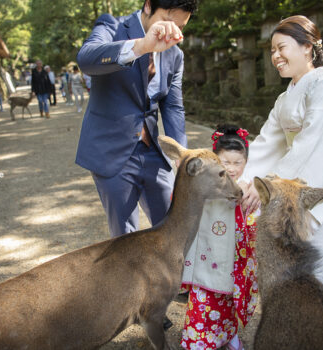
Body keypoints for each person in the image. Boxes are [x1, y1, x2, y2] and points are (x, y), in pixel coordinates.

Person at [239, 15, 323, 294]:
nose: (276, 56)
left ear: (307, 47)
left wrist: (272, 181)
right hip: (300, 185)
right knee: (306, 272)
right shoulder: (286, 97)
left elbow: (314, 140)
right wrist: (248, 180)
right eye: (272, 50)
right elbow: (268, 142)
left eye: (281, 47)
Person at [76, 0, 197, 238]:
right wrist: (141, 46)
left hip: (153, 150)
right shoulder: (111, 26)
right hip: (112, 152)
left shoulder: (175, 54)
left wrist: (182, 155)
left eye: (181, 26)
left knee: (173, 229)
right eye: (170, 22)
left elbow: (172, 106)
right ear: (149, 6)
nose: (174, 31)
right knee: (125, 240)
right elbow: (86, 59)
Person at [180, 125, 258, 350]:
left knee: (228, 303)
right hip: (208, 257)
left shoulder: (248, 187)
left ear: (245, 162)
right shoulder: (205, 182)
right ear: (215, 159)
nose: (232, 169)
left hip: (232, 261)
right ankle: (197, 343)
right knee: (204, 304)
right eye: (226, 162)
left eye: (238, 163)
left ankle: (228, 336)